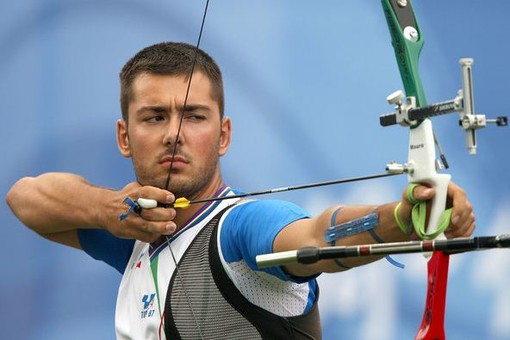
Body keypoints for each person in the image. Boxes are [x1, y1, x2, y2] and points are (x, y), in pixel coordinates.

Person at [6, 42, 475, 339]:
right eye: (154, 117)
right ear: (124, 137)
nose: (174, 133)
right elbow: (25, 197)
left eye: (194, 116)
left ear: (223, 134)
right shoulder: (132, 234)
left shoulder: (239, 229)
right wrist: (108, 210)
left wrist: (402, 216)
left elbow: (313, 236)